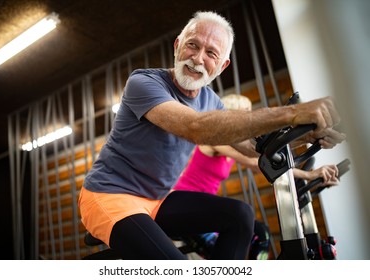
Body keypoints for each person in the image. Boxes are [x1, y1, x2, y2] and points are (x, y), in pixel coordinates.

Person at [78, 11, 345, 260]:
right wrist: (292, 114)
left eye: (210, 53)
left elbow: (253, 148)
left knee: (241, 215)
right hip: (109, 195)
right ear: (177, 45)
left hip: (158, 199)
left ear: (222, 65)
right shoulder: (144, 82)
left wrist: (305, 136)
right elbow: (195, 127)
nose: (197, 58)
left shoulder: (210, 100)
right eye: (192, 45)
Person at [173, 94, 340, 259]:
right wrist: (309, 175)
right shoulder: (217, 140)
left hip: (207, 206)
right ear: (233, 114)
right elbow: (255, 161)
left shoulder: (237, 144)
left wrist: (308, 139)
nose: (250, 118)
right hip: (188, 203)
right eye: (245, 112)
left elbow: (263, 155)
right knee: (227, 250)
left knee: (262, 235)